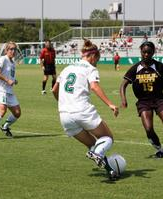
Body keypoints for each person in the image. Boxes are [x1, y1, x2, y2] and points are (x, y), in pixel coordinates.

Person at [52, 38, 120, 180]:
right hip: (82, 111)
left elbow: (54, 90)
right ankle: (98, 155)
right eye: (97, 60)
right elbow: (94, 86)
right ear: (93, 56)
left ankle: (110, 171)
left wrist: (64, 102)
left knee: (94, 146)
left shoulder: (67, 68)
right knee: (107, 138)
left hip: (64, 115)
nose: (97, 63)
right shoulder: (90, 69)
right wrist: (110, 104)